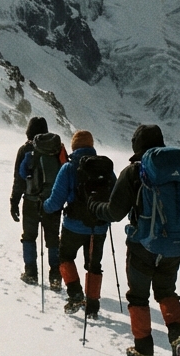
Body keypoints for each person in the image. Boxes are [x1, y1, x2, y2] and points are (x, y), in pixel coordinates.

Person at [89, 123, 180, 356]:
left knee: (138, 297)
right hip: (174, 248)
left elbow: (114, 212)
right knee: (166, 292)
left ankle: (144, 349)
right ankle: (179, 339)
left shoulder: (134, 172)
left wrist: (93, 206)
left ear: (137, 146)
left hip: (141, 247)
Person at [40, 130, 115, 317]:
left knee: (65, 257)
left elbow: (56, 201)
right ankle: (92, 305)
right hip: (98, 227)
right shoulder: (106, 168)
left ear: (74, 146)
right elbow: (115, 196)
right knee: (93, 265)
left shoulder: (69, 167)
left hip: (73, 225)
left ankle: (75, 293)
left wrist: (44, 207)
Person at [11, 116, 66, 287]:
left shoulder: (24, 150)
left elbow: (18, 179)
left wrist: (14, 201)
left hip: (30, 200)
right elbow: (66, 174)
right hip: (53, 201)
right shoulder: (57, 148)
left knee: (29, 237)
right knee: (53, 239)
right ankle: (56, 276)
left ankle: (31, 272)